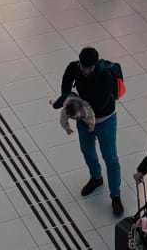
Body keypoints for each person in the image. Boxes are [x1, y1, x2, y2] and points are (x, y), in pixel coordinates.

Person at [52, 47, 125, 215]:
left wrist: (79, 109)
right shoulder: (73, 67)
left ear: (95, 65)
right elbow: (65, 85)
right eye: (83, 66)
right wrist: (68, 100)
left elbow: (99, 105)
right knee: (87, 150)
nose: (85, 71)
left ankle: (115, 196)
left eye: (89, 68)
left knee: (110, 157)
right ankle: (96, 177)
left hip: (105, 118)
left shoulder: (105, 75)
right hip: (83, 118)